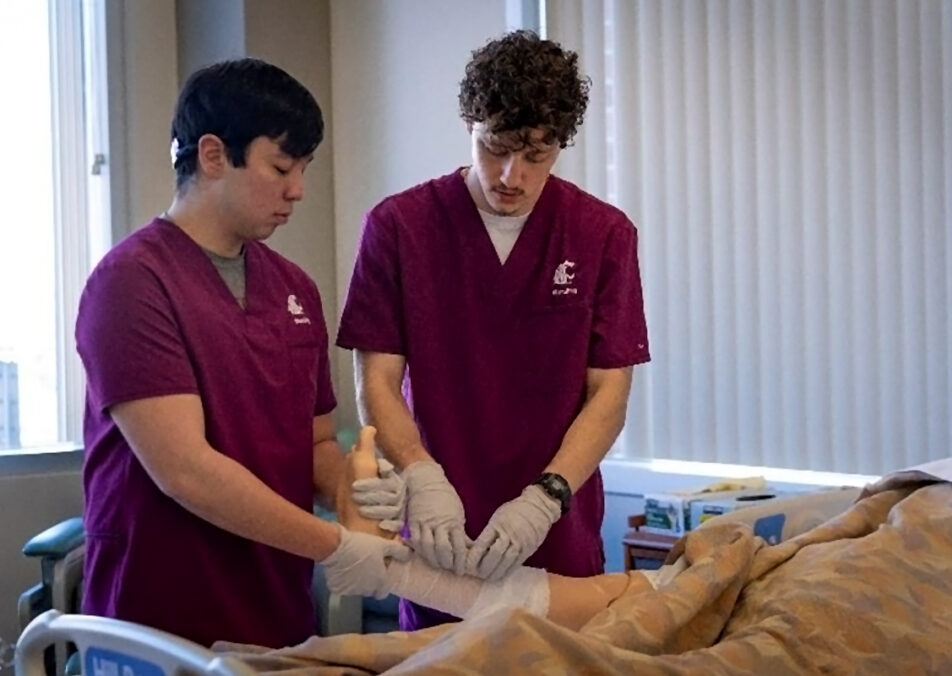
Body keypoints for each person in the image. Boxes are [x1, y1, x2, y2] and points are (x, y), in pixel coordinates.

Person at [75, 58, 408, 649]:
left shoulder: (295, 289)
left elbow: (312, 444)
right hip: (161, 618)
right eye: (281, 166)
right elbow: (185, 471)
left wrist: (352, 491)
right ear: (212, 155)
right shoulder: (131, 283)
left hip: (276, 616)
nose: (298, 190)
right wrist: (334, 544)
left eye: (304, 168)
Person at [337, 30, 650, 630]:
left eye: (538, 155)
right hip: (438, 534)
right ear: (469, 122)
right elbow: (376, 380)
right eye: (496, 146)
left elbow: (609, 394)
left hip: (558, 533)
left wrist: (547, 497)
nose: (512, 175)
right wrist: (421, 474)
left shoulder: (601, 234)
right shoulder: (399, 227)